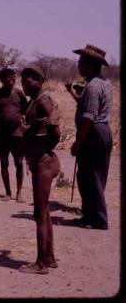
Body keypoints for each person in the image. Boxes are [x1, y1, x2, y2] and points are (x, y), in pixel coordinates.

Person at [19, 66, 61, 275]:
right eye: (23, 81)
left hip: (44, 161)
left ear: (38, 80)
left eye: (27, 81)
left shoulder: (43, 100)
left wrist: (45, 141)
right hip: (41, 161)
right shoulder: (34, 102)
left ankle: (41, 264)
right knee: (44, 212)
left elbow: (55, 122)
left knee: (39, 213)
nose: (24, 85)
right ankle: (49, 257)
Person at [71, 44, 113, 230]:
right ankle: (89, 216)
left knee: (90, 176)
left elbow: (89, 117)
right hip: (102, 130)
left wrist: (77, 142)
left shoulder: (94, 86)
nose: (79, 65)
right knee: (94, 175)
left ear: (90, 64)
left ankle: (98, 219)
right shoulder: (104, 82)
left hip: (93, 133)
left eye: (81, 62)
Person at [0, 68, 28, 202]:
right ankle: (7, 192)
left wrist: (20, 120)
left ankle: (19, 192)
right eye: (8, 78)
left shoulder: (19, 94)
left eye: (13, 77)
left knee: (19, 162)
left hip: (17, 133)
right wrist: (2, 120)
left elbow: (25, 109)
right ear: (2, 79)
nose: (11, 80)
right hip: (2, 134)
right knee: (4, 163)